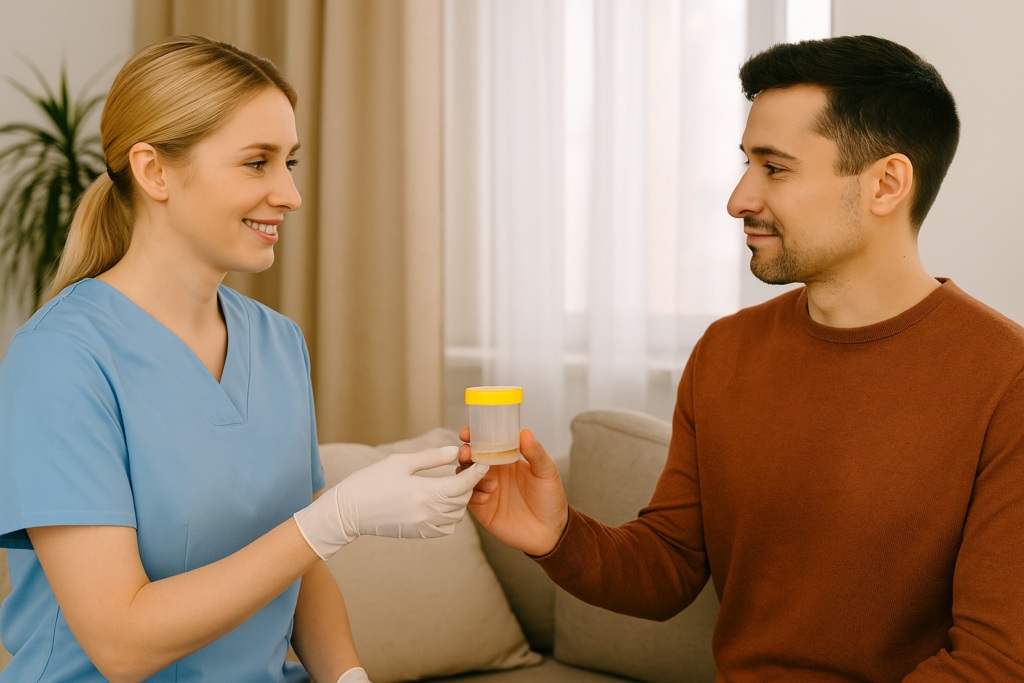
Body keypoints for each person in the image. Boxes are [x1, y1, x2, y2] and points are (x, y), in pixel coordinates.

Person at [458, 35, 1024, 681]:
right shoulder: (727, 351)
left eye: (775, 168)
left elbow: (995, 661)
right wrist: (559, 536)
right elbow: (667, 569)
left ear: (887, 184)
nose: (739, 199)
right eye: (746, 163)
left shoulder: (1007, 380)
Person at [0, 36, 488, 683]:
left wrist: (348, 677)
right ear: (153, 172)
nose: (290, 194)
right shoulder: (60, 360)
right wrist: (331, 519)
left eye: (290, 162)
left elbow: (298, 564)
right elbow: (122, 643)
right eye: (257, 163)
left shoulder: (279, 342)